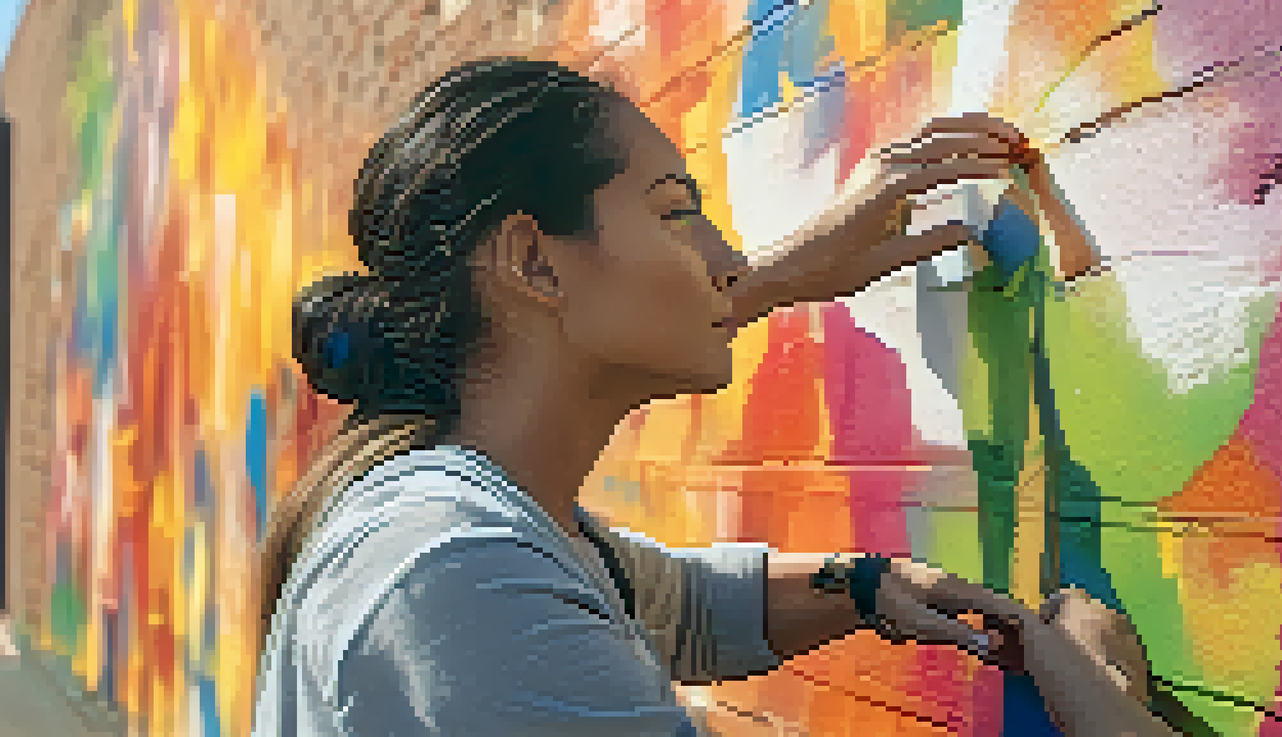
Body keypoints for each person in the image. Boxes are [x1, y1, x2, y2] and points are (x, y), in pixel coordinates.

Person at [251, 56, 1181, 737]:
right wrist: (1098, 704)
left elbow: (678, 606)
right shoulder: (453, 567)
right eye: (673, 211)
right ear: (534, 259)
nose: (727, 262)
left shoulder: (465, 518)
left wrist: (867, 585)